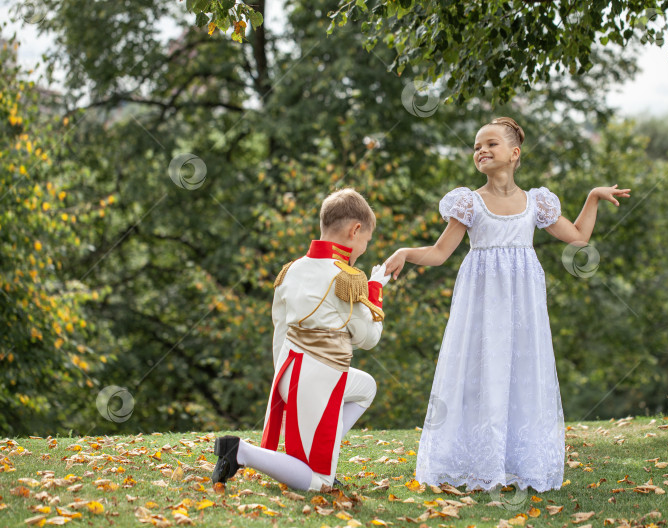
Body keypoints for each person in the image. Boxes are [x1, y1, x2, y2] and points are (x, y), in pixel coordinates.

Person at [384, 117, 631, 492]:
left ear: (514, 154)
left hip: (523, 306)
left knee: (520, 373)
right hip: (480, 303)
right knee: (482, 372)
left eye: (491, 144)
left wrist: (593, 197)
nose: (481, 150)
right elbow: (438, 253)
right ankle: (478, 463)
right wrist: (405, 252)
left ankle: (518, 462)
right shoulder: (469, 202)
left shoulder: (536, 203)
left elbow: (579, 237)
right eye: (476, 146)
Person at [212, 188, 390, 491]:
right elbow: (368, 339)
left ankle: (324, 450)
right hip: (318, 380)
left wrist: (283, 382)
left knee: (366, 387)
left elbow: (279, 332)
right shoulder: (346, 279)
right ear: (355, 230)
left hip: (288, 372)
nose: (364, 247)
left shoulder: (289, 271)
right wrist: (374, 290)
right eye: (366, 240)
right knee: (318, 482)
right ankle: (240, 451)